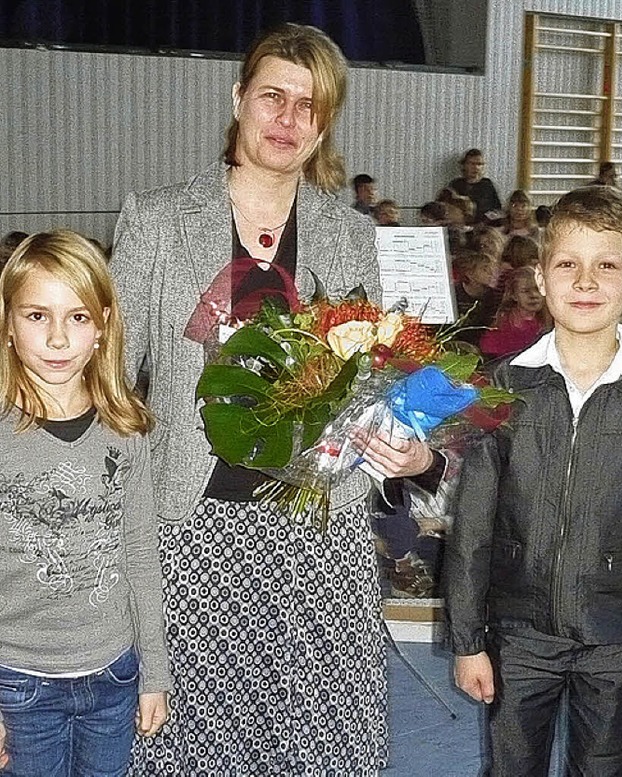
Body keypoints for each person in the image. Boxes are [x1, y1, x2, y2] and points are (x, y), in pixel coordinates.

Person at [110, 23, 437, 775]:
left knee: (323, 743)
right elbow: (113, 383)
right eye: (272, 97)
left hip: (319, 532)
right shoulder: (158, 220)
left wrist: (416, 448)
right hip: (193, 530)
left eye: (308, 106)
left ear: (324, 125)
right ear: (238, 99)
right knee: (194, 745)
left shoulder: (351, 235)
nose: (287, 119)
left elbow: (371, 380)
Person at [445, 185, 622, 776]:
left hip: (619, 642)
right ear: (542, 278)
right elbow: (472, 527)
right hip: (518, 638)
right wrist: (467, 639)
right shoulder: (503, 389)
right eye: (568, 264)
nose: (586, 281)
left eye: (607, 264)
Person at [0, 230, 170, 776]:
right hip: (19, 680)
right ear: (7, 324)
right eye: (36, 316)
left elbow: (140, 552)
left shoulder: (126, 426)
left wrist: (155, 673)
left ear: (102, 327)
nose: (57, 339)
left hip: (114, 672)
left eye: (77, 318)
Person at [479, 266, 547, 360]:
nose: (533, 295)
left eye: (537, 289)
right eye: (525, 291)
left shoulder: (550, 321)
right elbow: (488, 352)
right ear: (514, 295)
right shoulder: (501, 323)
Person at [447, 149, 502, 224]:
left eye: (479, 164)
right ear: (464, 165)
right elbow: (447, 209)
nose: (476, 167)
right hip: (460, 226)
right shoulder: (456, 184)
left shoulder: (487, 185)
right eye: (472, 163)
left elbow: (497, 209)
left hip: (484, 227)